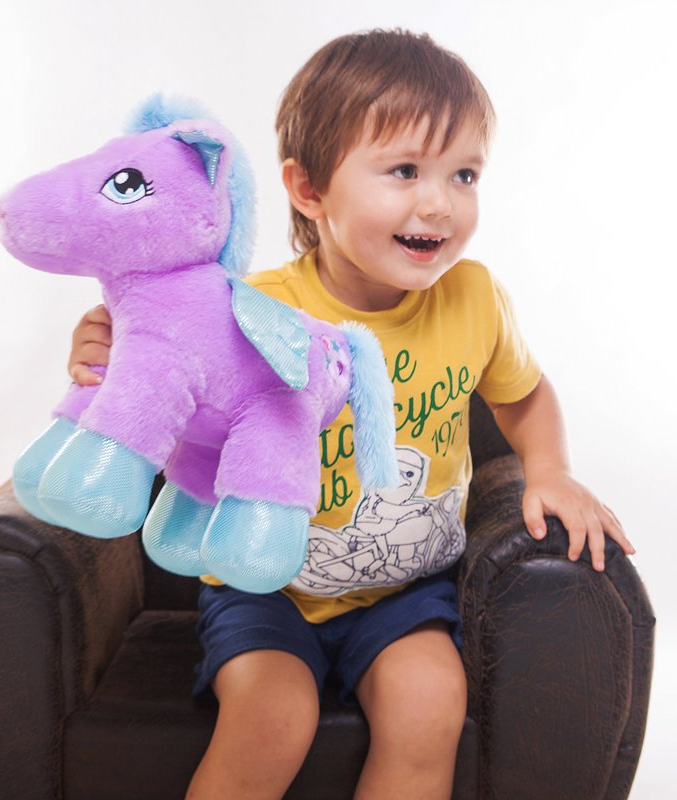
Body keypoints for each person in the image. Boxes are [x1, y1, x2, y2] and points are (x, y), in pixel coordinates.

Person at [67, 29, 634, 800]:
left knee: (429, 708)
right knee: (272, 718)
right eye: (404, 171)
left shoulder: (474, 300)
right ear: (309, 190)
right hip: (263, 588)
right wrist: (114, 354)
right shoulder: (250, 310)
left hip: (406, 593)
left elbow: (524, 394)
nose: (439, 202)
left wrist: (551, 470)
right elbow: (174, 407)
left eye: (464, 174)